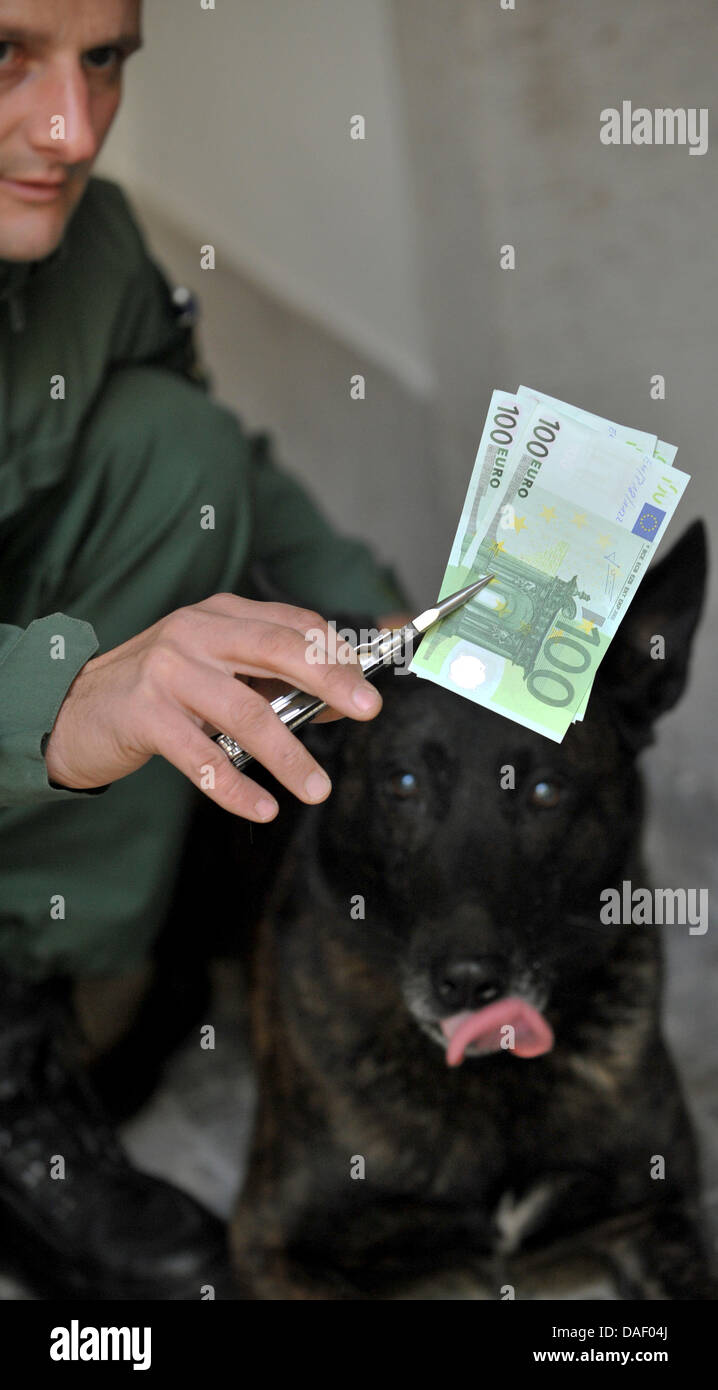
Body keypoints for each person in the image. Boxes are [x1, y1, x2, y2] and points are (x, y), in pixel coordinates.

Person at [0, 1, 411, 1299]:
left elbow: (222, 465)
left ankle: (53, 979)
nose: (71, 130)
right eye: (3, 51)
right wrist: (65, 697)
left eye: (104, 58)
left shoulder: (91, 245)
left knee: (172, 446)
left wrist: (377, 633)